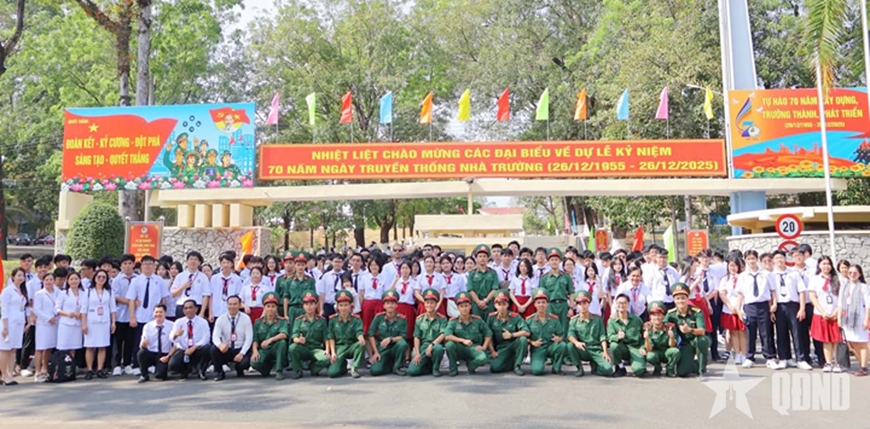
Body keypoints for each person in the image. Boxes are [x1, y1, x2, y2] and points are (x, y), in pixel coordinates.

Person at [126, 255, 169, 376]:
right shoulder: (136, 281)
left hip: (155, 317)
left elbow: (163, 299)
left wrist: (163, 315)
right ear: (141, 266)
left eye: (150, 264)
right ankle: (137, 365)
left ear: (154, 266)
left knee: (155, 342)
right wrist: (132, 317)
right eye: (145, 264)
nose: (148, 266)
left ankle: (152, 365)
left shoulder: (159, 280)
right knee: (138, 341)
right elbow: (131, 300)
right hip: (140, 316)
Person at [735, 250, 777, 369]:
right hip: (750, 306)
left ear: (757, 259)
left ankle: (769, 357)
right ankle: (749, 357)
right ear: (745, 261)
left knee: (766, 333)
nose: (751, 261)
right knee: (750, 332)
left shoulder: (766, 274)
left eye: (753, 258)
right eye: (748, 259)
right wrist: (739, 309)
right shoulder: (742, 276)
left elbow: (773, 290)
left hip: (763, 305)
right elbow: (740, 294)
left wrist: (773, 305)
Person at [769, 250, 810, 370]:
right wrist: (771, 310)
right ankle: (784, 358)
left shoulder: (794, 273)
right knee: (781, 333)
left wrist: (802, 308)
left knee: (797, 332)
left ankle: (801, 358)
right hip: (779, 306)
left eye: (781, 258)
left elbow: (801, 291)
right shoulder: (771, 275)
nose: (779, 260)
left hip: (793, 305)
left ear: (785, 259)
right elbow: (769, 294)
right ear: (774, 260)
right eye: (777, 258)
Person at [665, 284, 712, 377]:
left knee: (701, 341)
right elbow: (663, 325)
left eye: (683, 298)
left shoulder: (696, 311)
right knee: (682, 372)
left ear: (687, 299)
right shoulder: (671, 314)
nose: (680, 301)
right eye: (677, 299)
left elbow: (702, 331)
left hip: (699, 338)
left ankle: (702, 369)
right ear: (674, 300)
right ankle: (695, 365)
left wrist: (689, 330)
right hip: (686, 343)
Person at [444, 291, 492, 377]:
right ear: (458, 308)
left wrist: (484, 346)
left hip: (473, 347)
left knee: (483, 358)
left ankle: (471, 365)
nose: (464, 309)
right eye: (461, 306)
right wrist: (462, 340)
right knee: (449, 345)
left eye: (466, 306)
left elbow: (488, 333)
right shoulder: (453, 321)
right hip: (459, 347)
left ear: (470, 306)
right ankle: (453, 368)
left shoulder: (477, 320)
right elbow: (447, 336)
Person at [809, 256, 843, 373]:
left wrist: (836, 312)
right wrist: (823, 311)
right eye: (823, 264)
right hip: (821, 314)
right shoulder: (815, 279)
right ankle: (828, 362)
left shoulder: (838, 279)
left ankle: (837, 362)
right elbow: (813, 297)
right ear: (819, 265)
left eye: (828, 264)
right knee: (826, 340)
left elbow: (842, 298)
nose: (826, 266)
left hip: (836, 313)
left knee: (836, 339)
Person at [567, 290, 613, 377]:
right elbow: (570, 335)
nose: (582, 306)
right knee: (570, 345)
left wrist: (605, 352)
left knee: (608, 370)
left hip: (596, 349)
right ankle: (579, 368)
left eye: (585, 303)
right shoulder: (574, 321)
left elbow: (602, 336)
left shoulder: (597, 319)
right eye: (580, 304)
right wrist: (576, 342)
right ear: (577, 306)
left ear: (589, 304)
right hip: (583, 349)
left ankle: (595, 368)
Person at [82, 269, 117, 379]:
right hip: (91, 321)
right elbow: (83, 309)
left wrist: (113, 322)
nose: (101, 279)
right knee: (89, 346)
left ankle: (100, 369)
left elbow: (112, 308)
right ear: (95, 278)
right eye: (99, 277)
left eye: (104, 277)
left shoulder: (109, 291)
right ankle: (89, 370)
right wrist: (83, 324)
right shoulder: (88, 292)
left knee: (102, 346)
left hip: (104, 322)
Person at [287, 291, 330, 379]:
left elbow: (326, 337)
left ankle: (313, 367)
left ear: (316, 305)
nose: (309, 307)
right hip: (304, 348)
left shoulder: (321, 320)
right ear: (303, 306)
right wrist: (298, 340)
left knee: (327, 359)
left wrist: (327, 350)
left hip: (316, 349)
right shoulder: (299, 320)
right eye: (306, 304)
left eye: (311, 304)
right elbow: (294, 336)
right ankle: (297, 370)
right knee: (292, 348)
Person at [210, 295, 254, 381]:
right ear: (227, 305)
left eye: (235, 304)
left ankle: (239, 369)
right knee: (213, 349)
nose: (232, 306)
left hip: (240, 348)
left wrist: (242, 353)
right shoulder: (221, 319)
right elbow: (215, 336)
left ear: (240, 305)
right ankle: (219, 372)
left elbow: (249, 338)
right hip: (227, 349)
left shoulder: (246, 318)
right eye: (230, 304)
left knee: (244, 363)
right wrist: (220, 345)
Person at [525, 289, 567, 376]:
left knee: (562, 345)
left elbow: (561, 334)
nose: (541, 305)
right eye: (539, 302)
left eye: (543, 302)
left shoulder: (554, 319)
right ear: (534, 304)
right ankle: (538, 362)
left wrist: (559, 339)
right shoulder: (529, 320)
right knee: (537, 371)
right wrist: (532, 342)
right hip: (538, 348)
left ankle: (556, 368)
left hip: (551, 346)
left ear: (547, 304)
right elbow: (525, 337)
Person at [487, 290, 529, 376]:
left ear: (508, 305)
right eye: (499, 304)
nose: (502, 307)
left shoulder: (515, 317)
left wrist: (512, 335)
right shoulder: (491, 318)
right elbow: (488, 335)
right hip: (501, 348)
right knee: (495, 368)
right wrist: (492, 351)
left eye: (504, 304)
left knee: (523, 339)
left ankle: (517, 365)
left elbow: (526, 332)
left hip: (513, 345)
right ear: (495, 305)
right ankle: (511, 362)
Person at [408, 288, 448, 377]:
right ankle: (428, 367)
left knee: (438, 349)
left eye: (432, 303)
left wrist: (432, 345)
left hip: (436, 345)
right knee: (412, 371)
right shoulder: (419, 319)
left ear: (436, 304)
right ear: (424, 304)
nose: (429, 305)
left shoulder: (442, 319)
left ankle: (435, 368)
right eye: (427, 302)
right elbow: (417, 337)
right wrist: (417, 353)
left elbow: (443, 334)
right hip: (423, 347)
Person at [367, 290, 409, 376]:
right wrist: (375, 352)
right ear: (384, 305)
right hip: (382, 348)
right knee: (375, 371)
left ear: (396, 305)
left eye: (392, 303)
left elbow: (403, 336)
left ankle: (397, 367)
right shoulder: (378, 317)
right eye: (388, 303)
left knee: (402, 344)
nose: (390, 305)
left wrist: (391, 339)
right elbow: (371, 334)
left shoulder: (402, 319)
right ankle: (389, 365)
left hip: (395, 346)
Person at [839, 264, 870, 376]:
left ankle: (863, 367)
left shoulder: (863, 287)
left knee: (861, 342)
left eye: (855, 273)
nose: (852, 275)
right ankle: (863, 362)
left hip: (859, 318)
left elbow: (868, 305)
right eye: (850, 272)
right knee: (851, 343)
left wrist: (866, 320)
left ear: (860, 274)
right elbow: (840, 303)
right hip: (847, 319)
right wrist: (839, 318)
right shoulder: (844, 286)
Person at [325, 290, 365, 378]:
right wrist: (333, 353)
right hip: (339, 348)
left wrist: (360, 337)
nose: (343, 308)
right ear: (337, 307)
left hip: (351, 347)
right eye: (341, 305)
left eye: (346, 305)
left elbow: (359, 331)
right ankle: (342, 366)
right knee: (332, 373)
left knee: (360, 344)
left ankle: (354, 367)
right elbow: (331, 336)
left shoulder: (356, 319)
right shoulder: (333, 320)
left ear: (351, 306)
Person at [250, 292, 289, 380]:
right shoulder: (258, 322)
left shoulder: (282, 321)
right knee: (254, 363)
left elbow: (284, 334)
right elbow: (255, 339)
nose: (270, 309)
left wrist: (270, 340)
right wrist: (255, 351)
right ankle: (266, 368)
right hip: (264, 350)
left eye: (273, 306)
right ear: (264, 308)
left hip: (275, 348)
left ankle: (279, 370)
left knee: (282, 342)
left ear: (277, 308)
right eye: (268, 306)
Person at [169, 299, 210, 380]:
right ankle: (185, 371)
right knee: (173, 365)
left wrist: (194, 347)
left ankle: (201, 370)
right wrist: (176, 335)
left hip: (197, 349)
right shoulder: (179, 322)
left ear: (196, 309)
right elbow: (171, 338)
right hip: (183, 350)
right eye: (186, 308)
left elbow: (206, 338)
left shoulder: (203, 322)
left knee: (208, 348)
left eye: (191, 308)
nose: (188, 310)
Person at [1, 268, 29, 385]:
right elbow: (4, 309)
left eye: (23, 275)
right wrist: (5, 326)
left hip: (19, 323)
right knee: (5, 349)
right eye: (18, 275)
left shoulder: (23, 290)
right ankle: (4, 374)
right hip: (9, 323)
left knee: (13, 350)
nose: (21, 278)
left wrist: (27, 323)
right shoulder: (7, 291)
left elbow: (24, 308)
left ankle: (10, 373)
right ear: (13, 277)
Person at [111, 254, 137, 376]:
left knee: (130, 341)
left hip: (133, 315)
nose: (127, 266)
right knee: (118, 342)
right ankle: (116, 365)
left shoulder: (137, 279)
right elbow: (115, 296)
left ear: (133, 264)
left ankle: (127, 363)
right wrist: (130, 302)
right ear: (121, 266)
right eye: (125, 264)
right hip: (120, 315)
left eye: (130, 263)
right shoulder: (117, 280)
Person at [607, 293, 645, 377]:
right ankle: (620, 367)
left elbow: (643, 336)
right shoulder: (612, 321)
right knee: (613, 345)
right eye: (619, 303)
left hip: (635, 348)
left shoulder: (636, 320)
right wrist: (618, 337)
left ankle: (639, 363)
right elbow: (610, 337)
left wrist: (643, 347)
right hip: (622, 347)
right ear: (616, 304)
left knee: (639, 371)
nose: (621, 305)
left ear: (628, 304)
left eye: (624, 303)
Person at [718, 256, 748, 365]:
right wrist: (729, 305)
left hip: (742, 308)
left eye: (735, 266)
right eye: (731, 265)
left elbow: (744, 292)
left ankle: (744, 354)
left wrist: (739, 308)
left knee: (742, 332)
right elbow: (722, 293)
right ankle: (737, 353)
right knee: (733, 332)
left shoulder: (744, 277)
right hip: (729, 309)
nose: (733, 268)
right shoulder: (725, 279)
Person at [538, 248, 573, 335]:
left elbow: (571, 293)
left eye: (556, 260)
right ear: (548, 262)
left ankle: (563, 343)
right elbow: (542, 295)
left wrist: (571, 308)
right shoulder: (544, 277)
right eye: (552, 260)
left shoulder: (566, 276)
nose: (554, 262)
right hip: (550, 305)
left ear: (560, 261)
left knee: (564, 328)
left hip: (563, 305)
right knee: (551, 327)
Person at [136, 304, 175, 382]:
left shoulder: (172, 325)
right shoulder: (147, 326)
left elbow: (176, 344)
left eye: (160, 312)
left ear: (165, 313)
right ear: (153, 313)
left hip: (164, 354)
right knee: (141, 353)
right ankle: (144, 375)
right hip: (152, 353)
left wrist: (168, 356)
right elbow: (142, 345)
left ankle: (161, 371)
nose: (158, 314)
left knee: (160, 376)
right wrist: (144, 344)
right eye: (156, 312)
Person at [32, 271, 59, 382]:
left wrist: (55, 316)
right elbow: (37, 309)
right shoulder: (39, 294)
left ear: (54, 281)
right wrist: (48, 318)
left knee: (49, 347)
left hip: (55, 322)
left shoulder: (58, 292)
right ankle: (37, 371)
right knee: (40, 347)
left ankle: (45, 368)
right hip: (43, 324)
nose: (48, 282)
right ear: (43, 281)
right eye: (46, 280)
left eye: (51, 279)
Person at [170, 251, 211, 319]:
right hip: (182, 306)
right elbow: (173, 294)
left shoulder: (203, 277)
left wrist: (202, 312)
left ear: (199, 262)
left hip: (197, 306)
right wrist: (183, 286)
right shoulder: (180, 276)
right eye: (191, 259)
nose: (193, 261)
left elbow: (206, 296)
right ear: (187, 261)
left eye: (195, 259)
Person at [643, 301, 680, 377]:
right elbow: (649, 349)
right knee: (650, 356)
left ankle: (670, 368)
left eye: (659, 315)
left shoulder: (670, 327)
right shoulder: (647, 328)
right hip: (656, 353)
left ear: (663, 316)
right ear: (650, 317)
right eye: (654, 315)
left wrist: (671, 337)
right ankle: (657, 367)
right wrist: (646, 339)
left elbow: (672, 346)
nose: (656, 318)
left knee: (675, 351)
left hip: (667, 352)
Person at [278, 251, 316, 322]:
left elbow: (314, 298)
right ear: (295, 265)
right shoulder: (289, 281)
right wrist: (285, 314)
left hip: (305, 309)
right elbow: (286, 298)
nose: (300, 267)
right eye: (298, 265)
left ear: (306, 265)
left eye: (302, 265)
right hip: (292, 309)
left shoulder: (310, 281)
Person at [360, 256, 386, 353]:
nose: (374, 267)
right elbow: (361, 294)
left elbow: (385, 293)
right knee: (367, 330)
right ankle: (370, 354)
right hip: (368, 304)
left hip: (379, 305)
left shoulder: (384, 278)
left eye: (376, 265)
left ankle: (378, 352)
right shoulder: (364, 278)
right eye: (372, 265)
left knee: (378, 330)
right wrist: (361, 307)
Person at [56, 272, 85, 358]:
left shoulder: (84, 293)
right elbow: (57, 309)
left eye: (76, 279)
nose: (74, 281)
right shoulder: (63, 293)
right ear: (68, 281)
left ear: (79, 280)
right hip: (66, 324)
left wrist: (81, 314)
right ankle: (62, 364)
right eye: (71, 279)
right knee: (64, 347)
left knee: (74, 347)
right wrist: (67, 314)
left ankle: (71, 364)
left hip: (77, 324)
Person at [209, 253, 243, 326]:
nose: (226, 265)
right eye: (223, 263)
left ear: (232, 264)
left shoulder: (237, 279)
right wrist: (210, 312)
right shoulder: (214, 278)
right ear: (221, 264)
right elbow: (211, 295)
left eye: (228, 263)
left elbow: (238, 296)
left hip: (230, 311)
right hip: (216, 311)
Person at [466, 244, 499, 320]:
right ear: (476, 259)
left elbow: (494, 288)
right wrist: (478, 302)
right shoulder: (472, 273)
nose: (482, 258)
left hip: (489, 303)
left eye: (484, 256)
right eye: (480, 256)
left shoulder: (493, 273)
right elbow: (470, 289)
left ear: (488, 258)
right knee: (477, 323)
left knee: (489, 323)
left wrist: (485, 301)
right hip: (476, 304)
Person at [317, 253, 345, 319]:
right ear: (332, 262)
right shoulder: (326, 276)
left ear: (343, 263)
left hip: (342, 306)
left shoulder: (346, 275)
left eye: (339, 262)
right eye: (335, 262)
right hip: (328, 305)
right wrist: (321, 309)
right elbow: (322, 293)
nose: (337, 264)